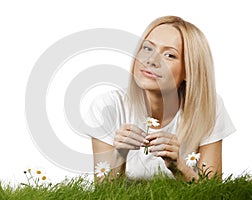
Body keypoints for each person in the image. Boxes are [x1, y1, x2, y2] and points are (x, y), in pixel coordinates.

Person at [84, 16, 235, 181]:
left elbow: (213, 192)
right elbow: (103, 193)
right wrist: (120, 155)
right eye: (148, 48)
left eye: (169, 55)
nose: (151, 60)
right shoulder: (108, 106)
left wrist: (179, 166)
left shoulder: (208, 107)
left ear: (189, 70)